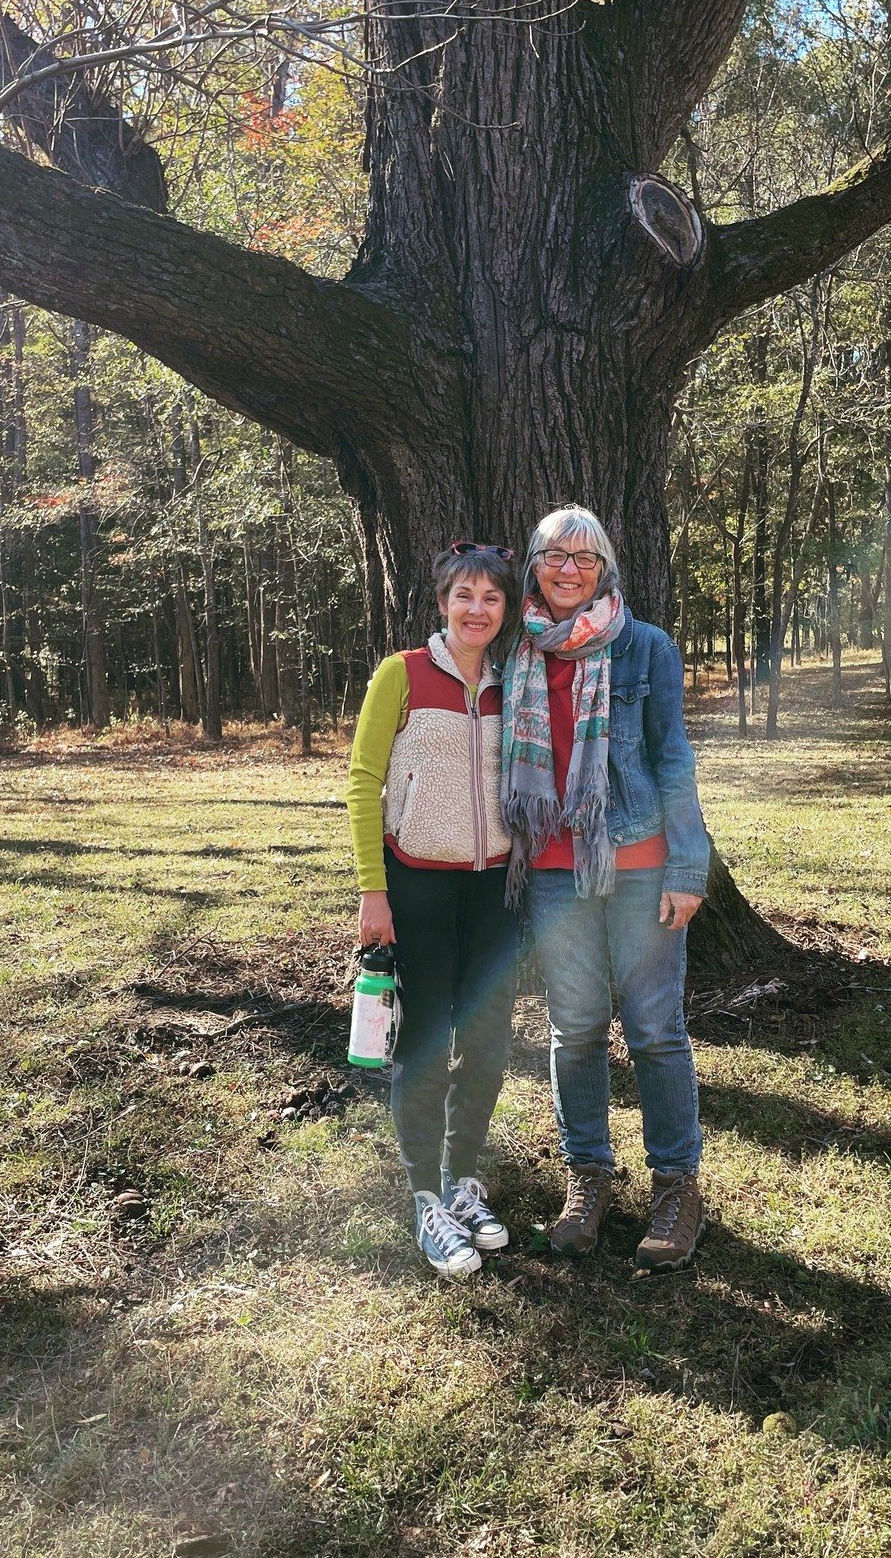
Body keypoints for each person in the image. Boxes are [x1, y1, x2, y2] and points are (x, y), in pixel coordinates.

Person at [503, 506, 711, 1270]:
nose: (569, 569)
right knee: (577, 1028)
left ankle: (676, 1187)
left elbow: (673, 758)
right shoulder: (513, 650)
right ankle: (586, 1179)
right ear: (533, 566)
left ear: (605, 569)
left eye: (584, 557)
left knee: (655, 1028)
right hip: (554, 873)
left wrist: (687, 867)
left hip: (641, 865)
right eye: (554, 555)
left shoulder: (645, 646)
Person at [346, 542, 522, 1279]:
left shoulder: (517, 682)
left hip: (497, 890)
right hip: (416, 882)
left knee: (486, 1038)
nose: (476, 610)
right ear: (443, 602)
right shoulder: (403, 673)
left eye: (491, 598)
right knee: (424, 1039)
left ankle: (463, 1181)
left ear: (506, 610)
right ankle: (424, 1198)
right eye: (464, 596)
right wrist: (373, 889)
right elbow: (364, 781)